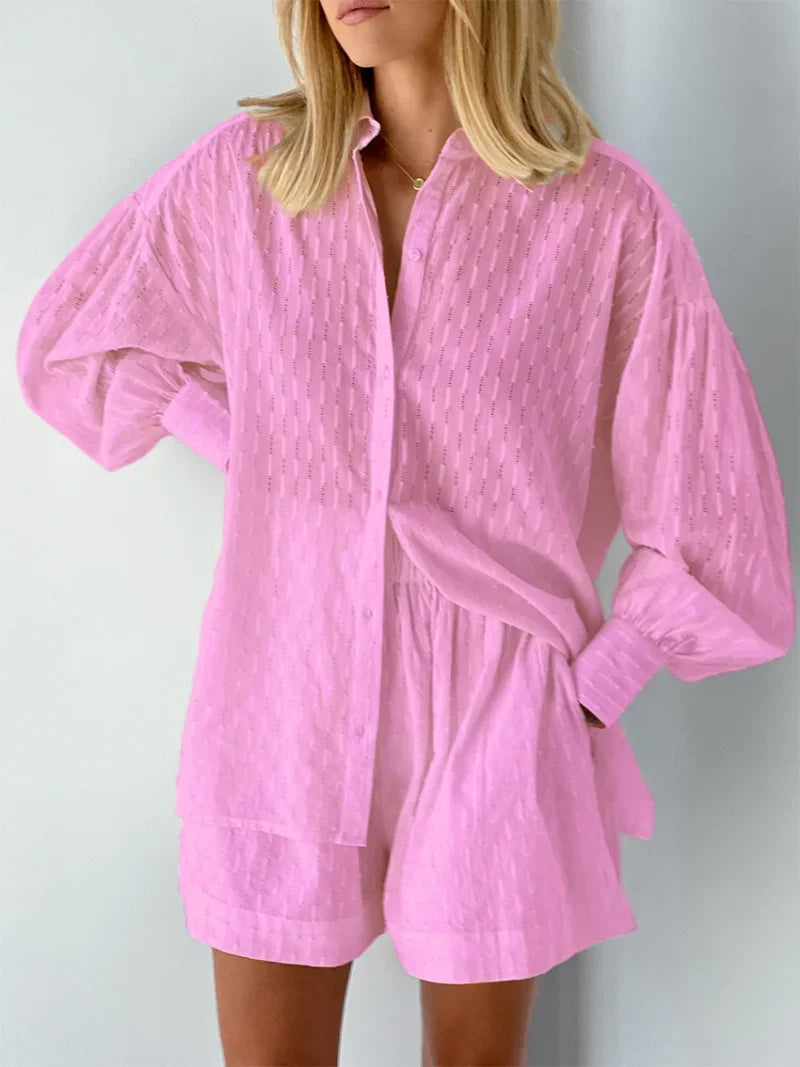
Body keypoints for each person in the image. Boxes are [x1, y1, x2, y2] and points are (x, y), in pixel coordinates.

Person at [15, 0, 796, 1064]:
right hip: (280, 692)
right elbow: (73, 344)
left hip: (498, 708)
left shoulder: (606, 217)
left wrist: (584, 692)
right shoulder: (246, 181)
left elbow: (714, 510)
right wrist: (251, 442)